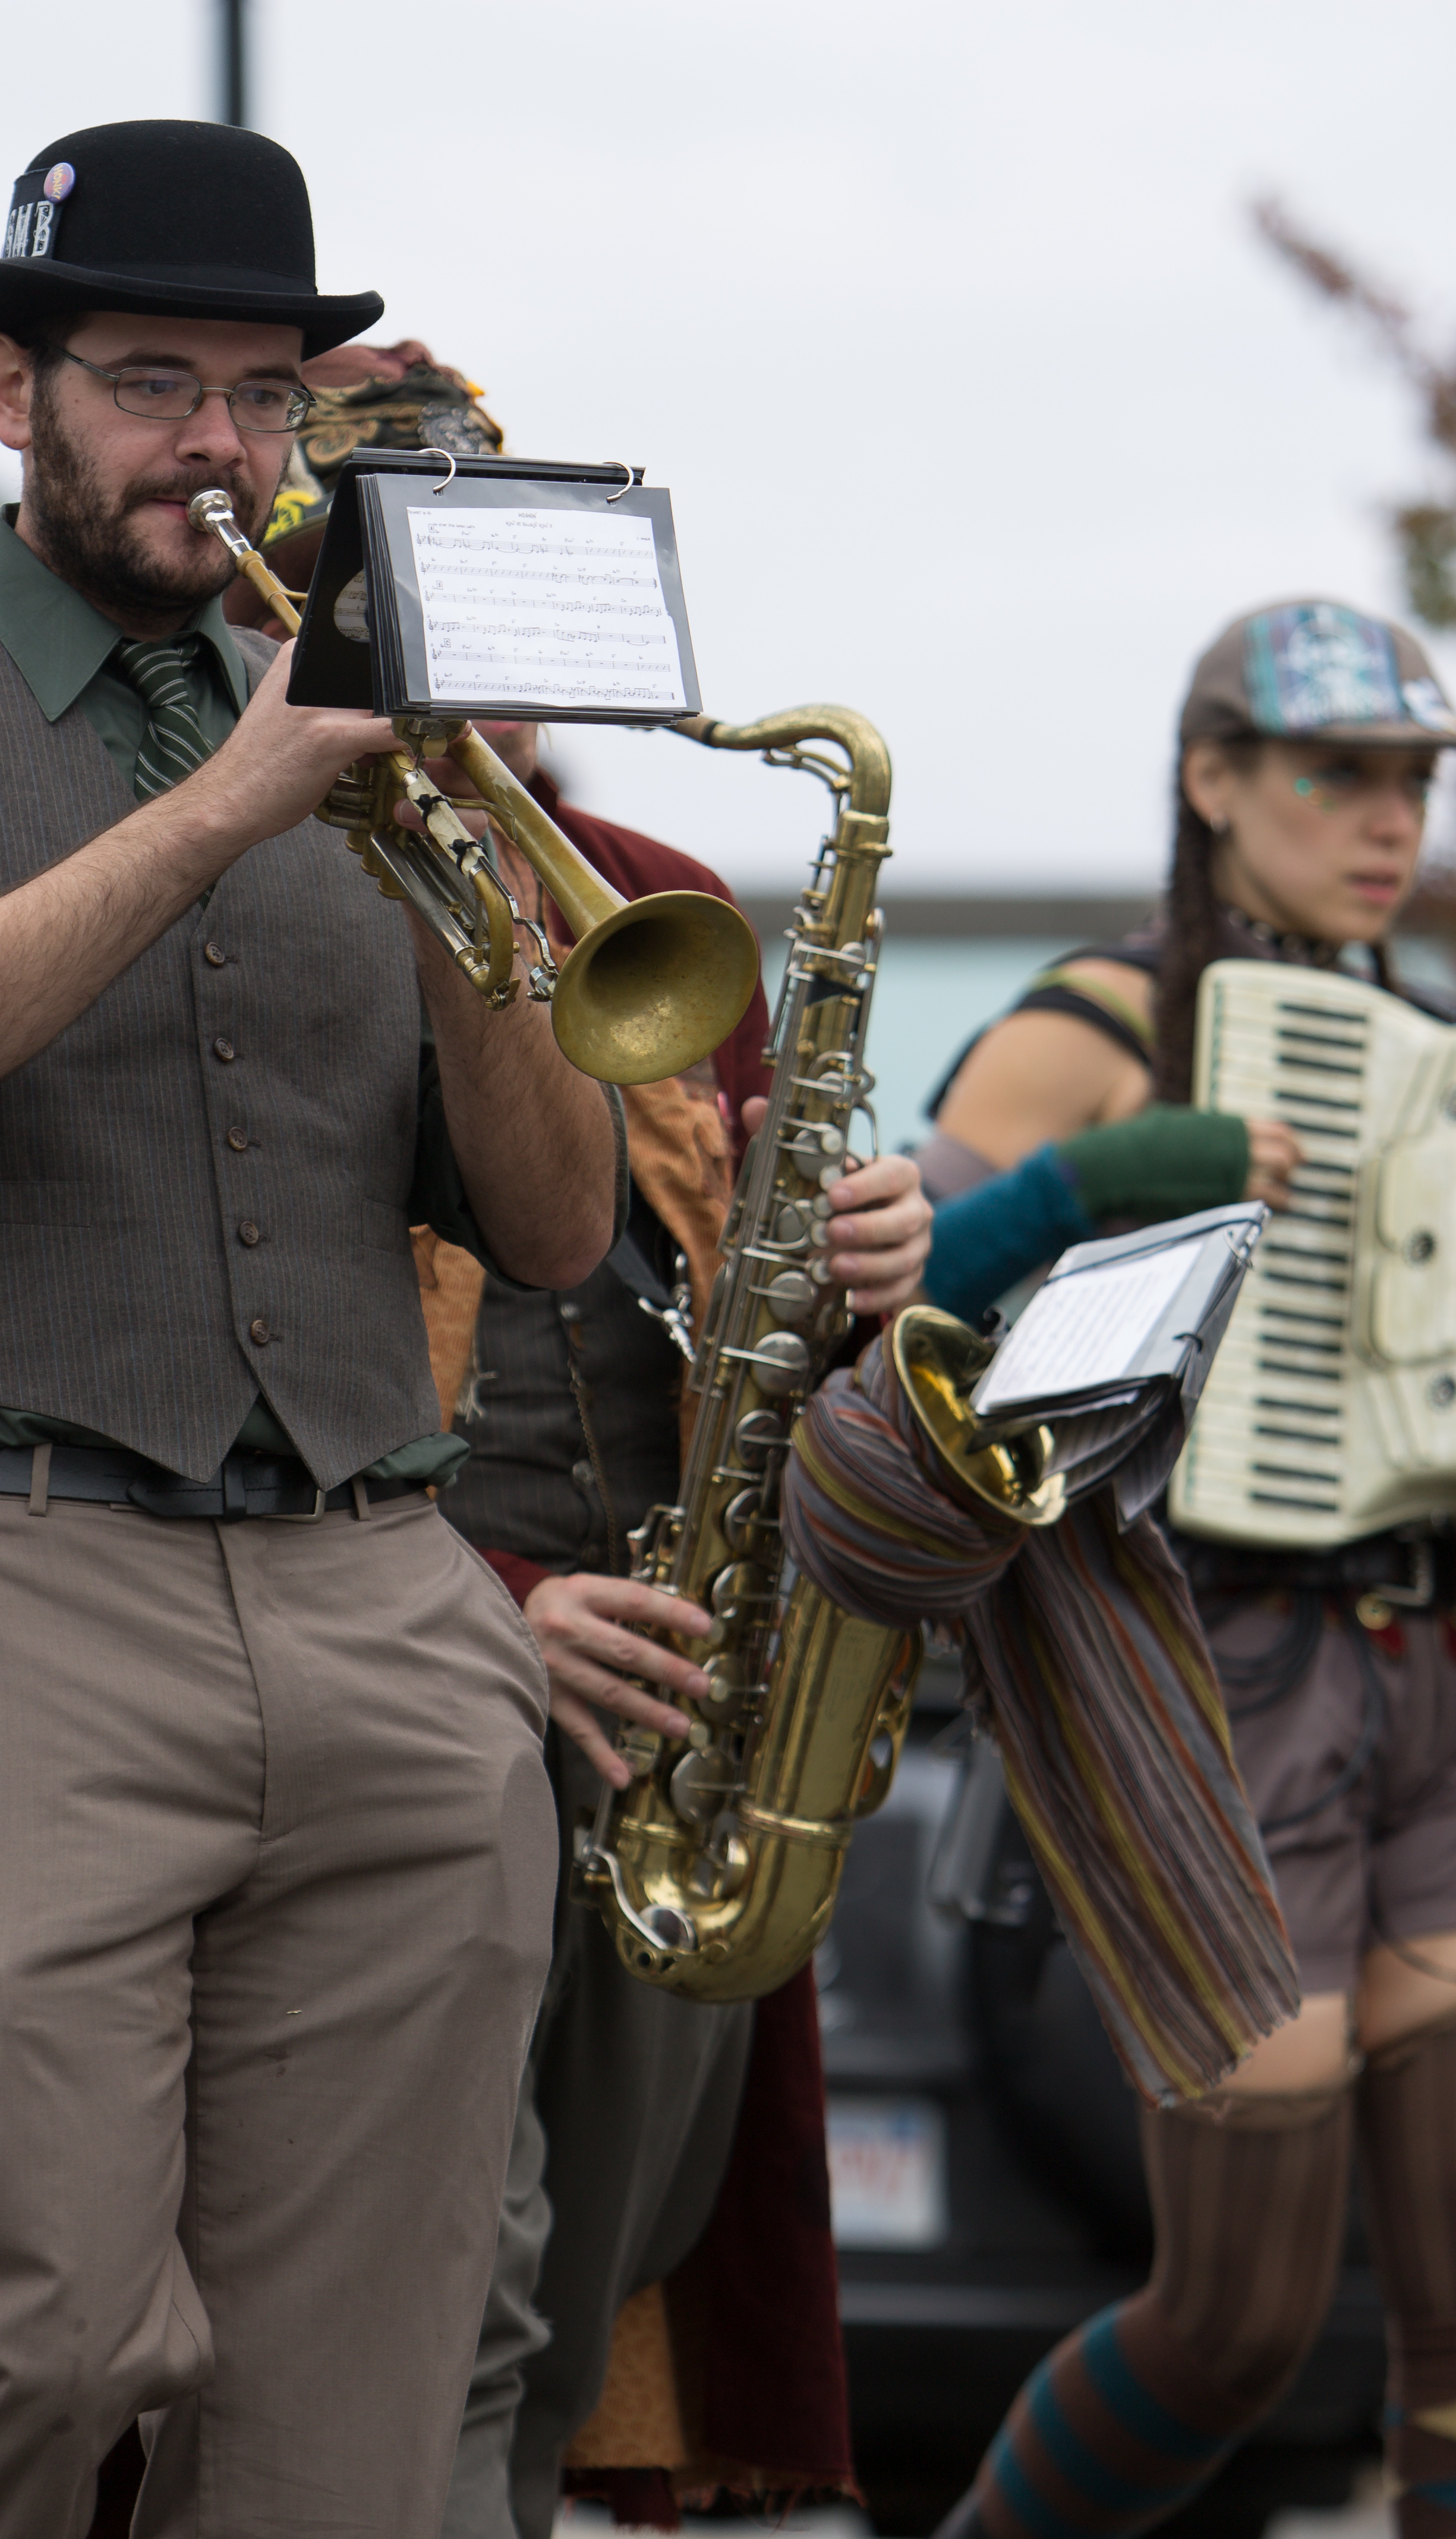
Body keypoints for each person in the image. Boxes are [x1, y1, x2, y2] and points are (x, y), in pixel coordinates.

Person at [0, 124, 624, 2539]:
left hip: (381, 1599)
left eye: (265, 394)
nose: (221, 447)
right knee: (38, 2319)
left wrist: (465, 852)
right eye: (154, 382)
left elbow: (557, 1228)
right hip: (19, 1571)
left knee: (349, 2423)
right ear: (7, 389)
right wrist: (234, 802)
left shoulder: (367, 728)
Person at [229, 342, 934, 2537]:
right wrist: (486, 1618)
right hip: (410, 1678)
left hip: (671, 1711)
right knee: (449, 2296)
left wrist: (864, 1269)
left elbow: (733, 1324)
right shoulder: (248, 880)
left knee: (594, 2289)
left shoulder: (650, 883)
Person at [913, 600, 1456, 2539]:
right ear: (1216, 780)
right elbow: (865, 1313)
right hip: (1206, 1671)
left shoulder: (1432, 1048)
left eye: (1414, 784)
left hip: (1426, 1660)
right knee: (1236, 2321)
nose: (1388, 824)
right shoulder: (1095, 1020)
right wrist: (1094, 1188)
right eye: (1339, 776)